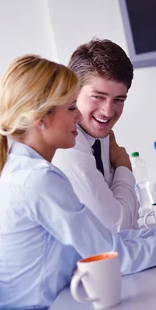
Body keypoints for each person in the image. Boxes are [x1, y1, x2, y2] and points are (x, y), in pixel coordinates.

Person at [0, 55, 156, 309]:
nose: (78, 117)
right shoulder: (38, 180)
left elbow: (108, 242)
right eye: (70, 108)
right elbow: (112, 256)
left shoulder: (25, 171)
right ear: (41, 118)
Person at [52, 38, 140, 232]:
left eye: (118, 100)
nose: (108, 112)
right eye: (98, 97)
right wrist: (124, 168)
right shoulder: (68, 144)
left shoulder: (100, 134)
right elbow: (116, 227)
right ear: (72, 91)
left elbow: (129, 226)